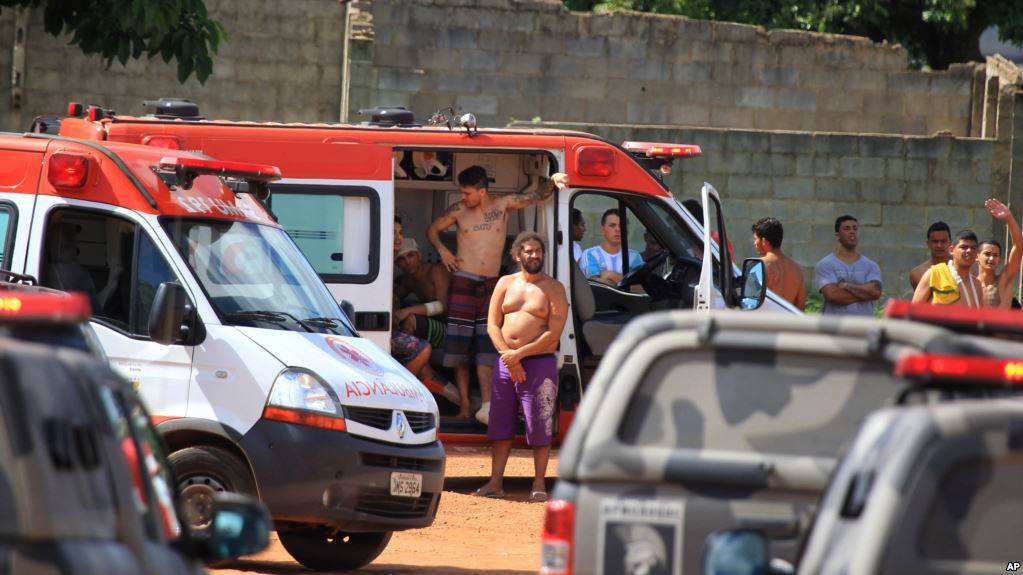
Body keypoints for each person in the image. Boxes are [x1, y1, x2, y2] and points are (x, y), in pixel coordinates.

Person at [427, 165, 569, 423]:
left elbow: (537, 196)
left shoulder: (502, 205)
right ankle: (465, 408)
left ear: (482, 191)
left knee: (486, 344)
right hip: (463, 280)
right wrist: (443, 251)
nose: (463, 197)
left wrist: (552, 180)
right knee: (459, 347)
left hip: (492, 284)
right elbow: (432, 230)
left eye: (467, 192)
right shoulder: (459, 210)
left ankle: (487, 406)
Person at [475, 231, 568, 502]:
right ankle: (495, 482)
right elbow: (492, 324)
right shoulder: (505, 283)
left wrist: (520, 355)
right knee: (500, 425)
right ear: (517, 255)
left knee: (539, 424)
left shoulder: (554, 288)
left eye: (538, 251)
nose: (534, 255)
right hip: (506, 363)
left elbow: (553, 334)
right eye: (528, 251)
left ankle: (539, 483)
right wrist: (508, 356)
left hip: (539, 363)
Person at [814, 215, 882, 316]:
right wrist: (866, 293)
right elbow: (833, 296)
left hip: (863, 328)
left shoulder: (871, 266)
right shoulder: (826, 264)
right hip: (835, 329)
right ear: (837, 236)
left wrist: (846, 286)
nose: (852, 231)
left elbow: (876, 292)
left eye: (855, 228)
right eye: (847, 228)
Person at [395, 238, 450, 349]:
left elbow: (442, 306)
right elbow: (393, 297)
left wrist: (407, 311)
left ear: (419, 255)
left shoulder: (435, 271)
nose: (407, 262)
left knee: (411, 319)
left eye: (411, 255)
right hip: (433, 323)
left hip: (451, 330)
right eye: (401, 259)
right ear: (396, 264)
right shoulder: (408, 280)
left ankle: (410, 362)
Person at [912, 230, 983, 307]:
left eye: (973, 248)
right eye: (963, 247)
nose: (969, 251)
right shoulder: (934, 274)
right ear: (951, 250)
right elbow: (913, 310)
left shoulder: (977, 284)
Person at [975, 199, 1023, 308]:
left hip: (1000, 325)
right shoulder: (971, 284)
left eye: (995, 255)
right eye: (987, 254)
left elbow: (1018, 247)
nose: (991, 258)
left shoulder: (1004, 280)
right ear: (977, 256)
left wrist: (1009, 217)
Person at [752, 217, 806, 310]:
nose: (755, 243)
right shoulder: (797, 269)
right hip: (786, 323)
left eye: (756, 238)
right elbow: (800, 305)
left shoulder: (758, 265)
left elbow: (750, 302)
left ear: (764, 242)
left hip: (762, 323)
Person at [580, 209, 643, 285]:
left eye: (621, 225)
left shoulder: (634, 256)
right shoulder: (590, 254)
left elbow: (641, 288)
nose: (618, 229)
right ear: (602, 229)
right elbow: (595, 285)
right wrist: (628, 282)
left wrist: (611, 275)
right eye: (612, 225)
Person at [908, 221, 951, 291]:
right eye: (935, 241)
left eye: (943, 241)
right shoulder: (917, 273)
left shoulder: (963, 269)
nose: (939, 245)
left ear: (950, 243)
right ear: (928, 244)